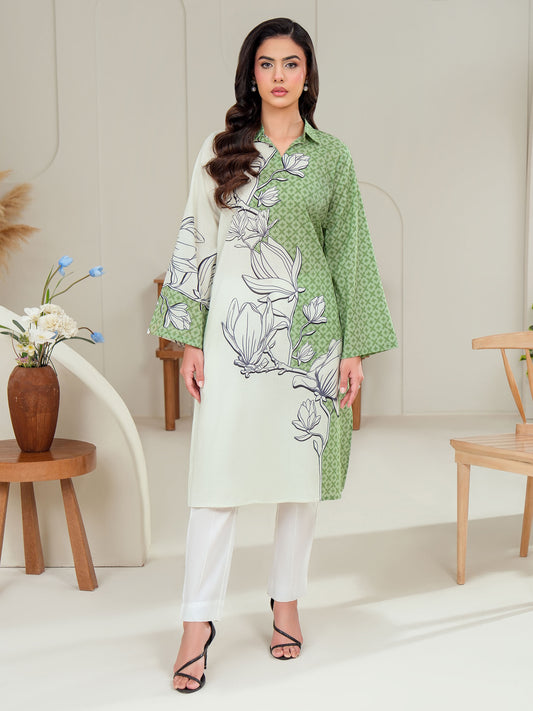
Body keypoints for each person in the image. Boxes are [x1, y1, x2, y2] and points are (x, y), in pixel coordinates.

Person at [149, 17, 397, 693]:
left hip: (310, 337)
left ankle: (286, 602)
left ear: (307, 74)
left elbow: (350, 253)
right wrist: (190, 339)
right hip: (233, 338)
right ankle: (195, 623)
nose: (279, 75)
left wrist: (352, 351)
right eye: (267, 63)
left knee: (298, 479)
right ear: (250, 74)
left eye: (291, 63)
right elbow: (196, 243)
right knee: (214, 479)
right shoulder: (221, 149)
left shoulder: (333, 157)